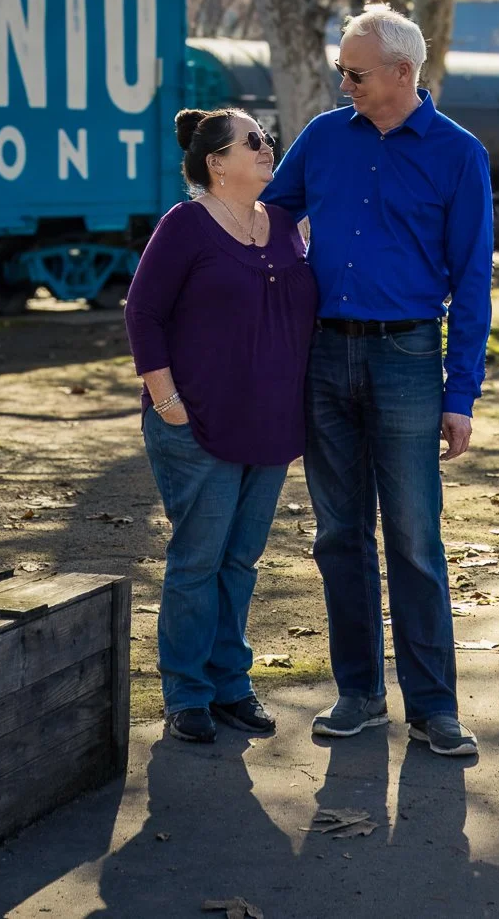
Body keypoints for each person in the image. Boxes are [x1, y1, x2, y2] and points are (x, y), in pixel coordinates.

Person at [261, 5, 492, 758]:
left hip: (408, 359)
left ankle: (434, 707)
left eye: (355, 72)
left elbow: (475, 282)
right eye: (341, 71)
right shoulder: (324, 138)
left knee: (416, 538)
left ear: (402, 71)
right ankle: (359, 692)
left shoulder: (460, 155)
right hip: (323, 357)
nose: (344, 82)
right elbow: (267, 216)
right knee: (339, 534)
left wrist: (460, 396)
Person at [125, 108, 318, 745]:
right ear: (217, 163)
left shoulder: (286, 224)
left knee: (241, 561)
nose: (269, 149)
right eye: (255, 142)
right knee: (197, 560)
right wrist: (168, 400)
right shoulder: (185, 225)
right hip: (196, 423)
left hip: (269, 426)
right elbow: (143, 314)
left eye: (268, 142)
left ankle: (231, 683)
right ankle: (186, 693)